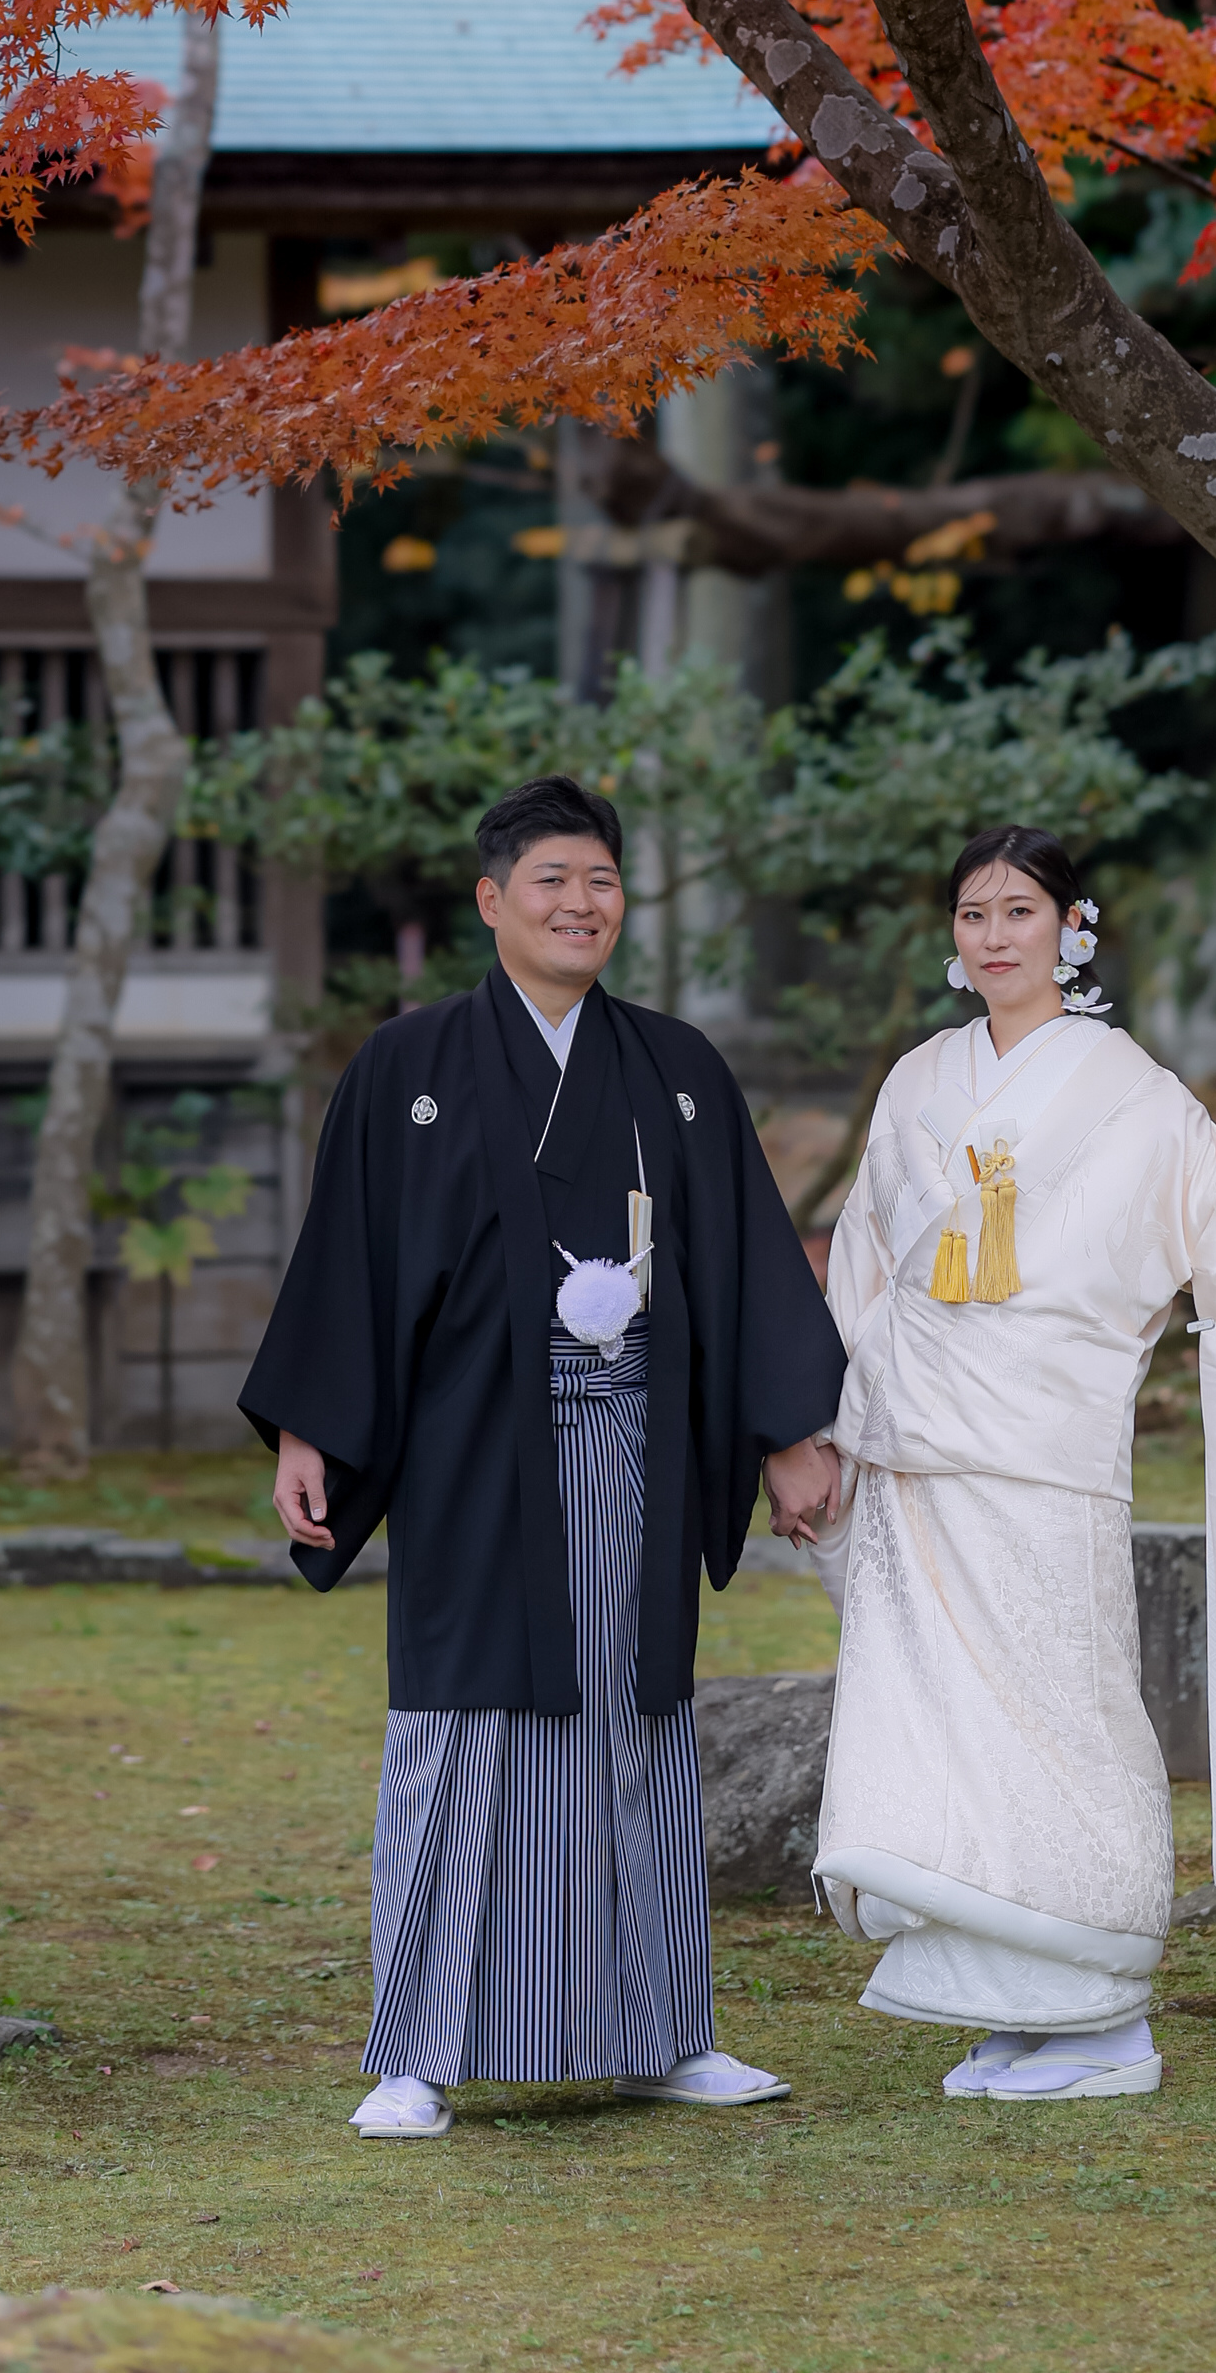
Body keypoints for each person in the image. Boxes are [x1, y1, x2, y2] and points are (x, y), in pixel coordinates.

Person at [244, 773, 848, 2138]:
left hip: (637, 1440)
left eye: (602, 882)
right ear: (491, 900)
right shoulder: (406, 1069)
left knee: (635, 1722)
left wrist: (788, 1433)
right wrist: (308, 1428)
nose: (582, 905)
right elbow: (348, 1263)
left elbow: (744, 1260)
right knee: (460, 1728)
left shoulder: (676, 1070)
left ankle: (664, 2034)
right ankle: (416, 2053)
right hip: (471, 1448)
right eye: (552, 882)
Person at [808, 825, 1216, 2105]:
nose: (995, 934)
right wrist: (841, 1416)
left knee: (1063, 1709)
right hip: (917, 1439)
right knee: (944, 1726)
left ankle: (1104, 2012)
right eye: (973, 913)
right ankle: (1010, 2002)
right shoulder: (918, 1081)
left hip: (1045, 1442)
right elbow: (863, 1259)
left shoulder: (1129, 1090)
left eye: (1019, 911)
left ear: (1070, 927)